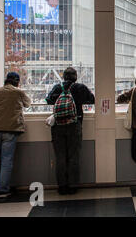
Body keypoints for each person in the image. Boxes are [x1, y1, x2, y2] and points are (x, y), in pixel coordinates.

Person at [46, 67, 95, 195]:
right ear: (75, 77)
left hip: (58, 125)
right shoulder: (80, 88)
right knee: (74, 156)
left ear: (64, 77)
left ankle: (62, 186)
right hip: (74, 124)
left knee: (60, 156)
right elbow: (92, 99)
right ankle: (73, 185)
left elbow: (49, 100)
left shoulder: (57, 88)